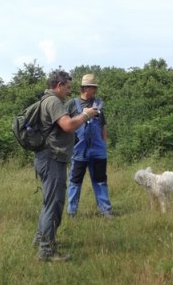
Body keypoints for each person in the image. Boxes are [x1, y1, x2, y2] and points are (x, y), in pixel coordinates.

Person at [33, 69, 99, 262]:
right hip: (52, 158)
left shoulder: (46, 100)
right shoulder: (53, 101)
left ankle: (41, 239)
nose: (69, 91)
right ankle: (46, 250)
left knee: (49, 202)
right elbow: (68, 125)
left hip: (47, 157)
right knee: (54, 204)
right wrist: (86, 115)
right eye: (68, 87)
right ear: (59, 85)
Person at [65, 74, 113, 218]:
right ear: (85, 88)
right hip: (79, 150)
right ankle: (72, 212)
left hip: (98, 151)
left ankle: (105, 211)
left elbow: (102, 126)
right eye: (93, 88)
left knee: (100, 181)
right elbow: (65, 124)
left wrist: (104, 145)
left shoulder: (98, 104)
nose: (95, 91)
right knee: (75, 182)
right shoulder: (72, 104)